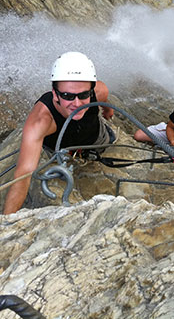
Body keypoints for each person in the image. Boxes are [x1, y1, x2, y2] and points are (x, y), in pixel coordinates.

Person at [3, 52, 114, 214]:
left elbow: (104, 99)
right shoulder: (41, 121)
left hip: (97, 140)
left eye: (83, 95)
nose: (76, 103)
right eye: (67, 96)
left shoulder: (99, 90)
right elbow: (23, 174)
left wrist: (108, 111)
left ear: (90, 91)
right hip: (56, 149)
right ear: (55, 94)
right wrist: (6, 222)